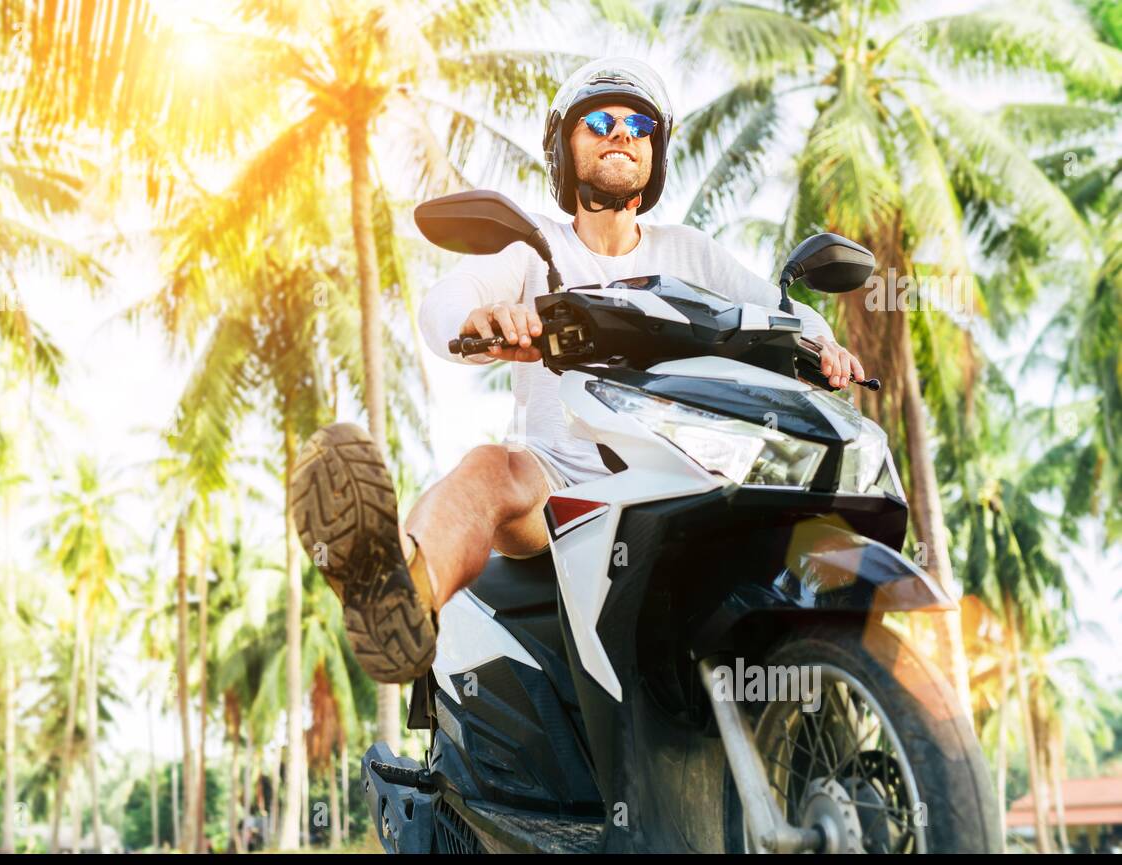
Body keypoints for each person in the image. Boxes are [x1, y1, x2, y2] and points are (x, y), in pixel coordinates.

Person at [291, 58, 865, 684]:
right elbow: (442, 308)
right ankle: (401, 592)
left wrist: (824, 348)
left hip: (687, 473)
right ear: (565, 147)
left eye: (639, 124)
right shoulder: (533, 244)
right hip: (559, 489)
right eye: (598, 121)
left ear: (656, 149)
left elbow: (785, 316)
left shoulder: (690, 252)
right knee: (491, 468)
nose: (621, 132)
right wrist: (485, 320)